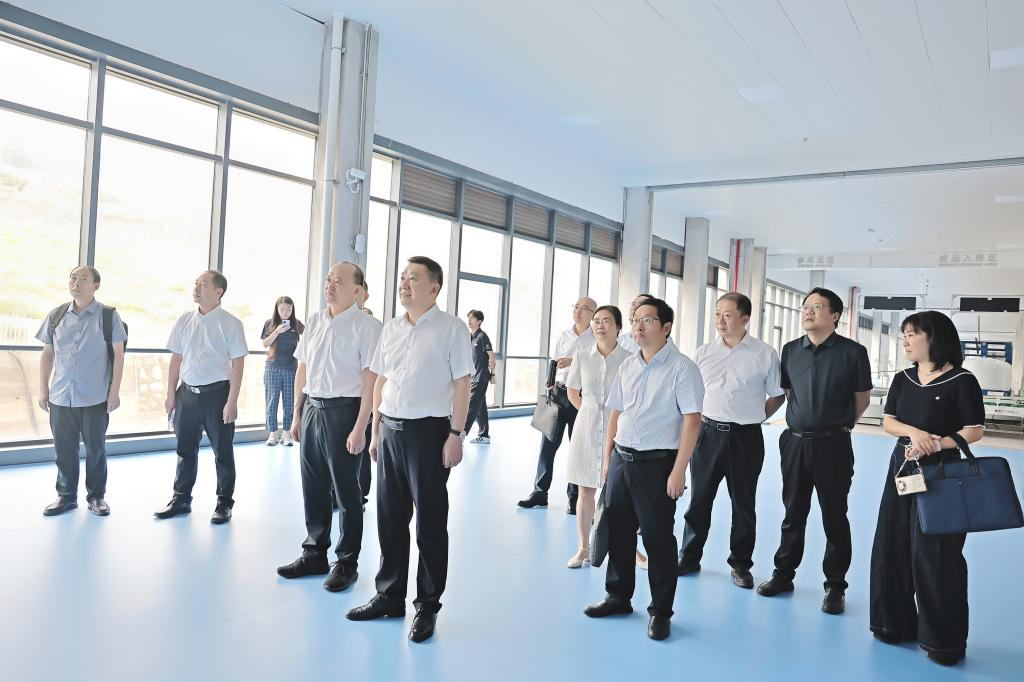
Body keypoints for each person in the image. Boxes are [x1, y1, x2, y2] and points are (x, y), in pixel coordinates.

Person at [346, 256, 473, 644]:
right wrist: (374, 432)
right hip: (390, 431)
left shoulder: (451, 328)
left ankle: (427, 606)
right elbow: (380, 380)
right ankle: (389, 596)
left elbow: (463, 384)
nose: (404, 283)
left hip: (430, 434)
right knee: (389, 517)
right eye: (403, 277)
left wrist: (455, 433)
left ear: (433, 287)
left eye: (413, 278)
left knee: (430, 523)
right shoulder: (392, 327)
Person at [583, 298, 703, 641]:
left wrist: (679, 471)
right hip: (622, 460)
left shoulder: (682, 368)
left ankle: (661, 612)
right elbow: (616, 412)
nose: (638, 325)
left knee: (657, 539)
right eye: (636, 319)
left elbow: (693, 421)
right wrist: (608, 460)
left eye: (647, 320)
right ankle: (618, 597)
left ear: (666, 327)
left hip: (658, 465)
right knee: (619, 532)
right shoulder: (629, 364)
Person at [870, 311, 985, 667]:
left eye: (912, 334)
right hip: (903, 466)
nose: (905, 340)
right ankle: (892, 624)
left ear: (934, 337)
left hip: (942, 471)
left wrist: (936, 443)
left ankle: (943, 641)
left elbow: (974, 430)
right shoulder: (902, 379)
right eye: (904, 334)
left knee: (938, 553)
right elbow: (888, 421)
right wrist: (915, 434)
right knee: (892, 543)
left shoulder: (962, 380)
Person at [757, 287, 872, 615]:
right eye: (805, 306)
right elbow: (789, 392)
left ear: (835, 315)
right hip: (794, 442)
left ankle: (835, 585)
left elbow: (862, 399)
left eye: (817, 306)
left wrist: (840, 425)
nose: (808, 311)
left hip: (833, 444)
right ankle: (783, 574)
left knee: (834, 515)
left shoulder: (853, 352)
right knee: (793, 512)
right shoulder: (791, 350)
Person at [276, 262, 381, 592]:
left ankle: (346, 563)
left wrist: (361, 426)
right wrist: (296, 414)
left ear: (356, 290)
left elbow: (371, 381)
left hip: (345, 412)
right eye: (328, 280)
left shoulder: (368, 327)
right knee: (313, 486)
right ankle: (314, 554)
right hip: (312, 408)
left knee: (348, 493)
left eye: (338, 281)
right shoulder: (315, 321)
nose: (330, 285)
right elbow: (302, 369)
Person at [677, 293, 785, 587]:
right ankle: (688, 556)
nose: (720, 321)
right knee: (699, 500)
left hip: (746, 438)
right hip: (707, 435)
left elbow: (778, 394)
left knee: (743, 504)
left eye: (727, 315)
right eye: (717, 314)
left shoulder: (765, 354)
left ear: (745, 319)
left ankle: (740, 565)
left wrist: (755, 417)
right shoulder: (703, 353)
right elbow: (690, 394)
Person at [155, 270, 247, 524]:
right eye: (196, 283)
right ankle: (181, 499)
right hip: (186, 394)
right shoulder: (184, 320)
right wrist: (170, 395)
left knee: (223, 452)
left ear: (219, 292)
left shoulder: (231, 324)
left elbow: (238, 365)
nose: (196, 287)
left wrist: (232, 402)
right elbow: (176, 360)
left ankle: (224, 503)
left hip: (217, 396)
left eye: (203, 284)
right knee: (185, 449)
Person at [36, 266, 127, 517]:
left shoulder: (108, 316)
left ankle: (96, 496)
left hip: (95, 397)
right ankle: (66, 496)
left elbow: (119, 356)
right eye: (73, 278)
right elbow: (47, 354)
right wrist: (43, 389)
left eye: (83, 279)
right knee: (64, 450)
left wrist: (114, 392)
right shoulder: (56, 315)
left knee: (96, 449)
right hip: (61, 396)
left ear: (95, 286)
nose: (76, 283)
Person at [564, 305, 634, 568]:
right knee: (585, 491)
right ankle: (584, 547)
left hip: (620, 429)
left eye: (606, 321)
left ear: (619, 328)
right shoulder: (582, 356)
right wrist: (590, 412)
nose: (600, 325)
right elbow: (573, 392)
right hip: (587, 427)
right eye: (596, 321)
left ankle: (628, 549)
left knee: (620, 494)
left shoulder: (630, 359)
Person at [518, 296, 597, 514]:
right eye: (576, 307)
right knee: (547, 445)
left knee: (578, 449)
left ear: (592, 314)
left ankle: (574, 498)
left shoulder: (595, 338)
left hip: (581, 396)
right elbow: (554, 360)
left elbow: (597, 366)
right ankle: (539, 493)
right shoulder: (564, 335)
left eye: (584, 308)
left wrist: (574, 362)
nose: (578, 311)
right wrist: (550, 380)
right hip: (558, 394)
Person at [261, 296, 304, 446]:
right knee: (271, 401)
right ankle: (272, 433)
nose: (285, 313)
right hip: (273, 367)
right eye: (282, 310)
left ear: (292, 310)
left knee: (289, 402)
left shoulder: (297, 324)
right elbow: (265, 343)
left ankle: (287, 433)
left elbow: (308, 339)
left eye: (289, 310)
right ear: (277, 309)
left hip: (291, 368)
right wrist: (277, 332)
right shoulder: (270, 323)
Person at [353, 280, 381, 506]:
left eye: (358, 291)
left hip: (365, 398)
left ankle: (361, 494)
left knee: (360, 449)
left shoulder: (373, 328)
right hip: (343, 398)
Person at [465, 309, 495, 444]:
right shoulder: (471, 337)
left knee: (471, 407)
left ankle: (460, 435)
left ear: (479, 321)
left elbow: (491, 356)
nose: (469, 321)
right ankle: (484, 435)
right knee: (480, 407)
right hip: (474, 377)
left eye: (472, 318)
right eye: (469, 318)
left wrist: (493, 374)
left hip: (481, 377)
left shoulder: (482, 336)